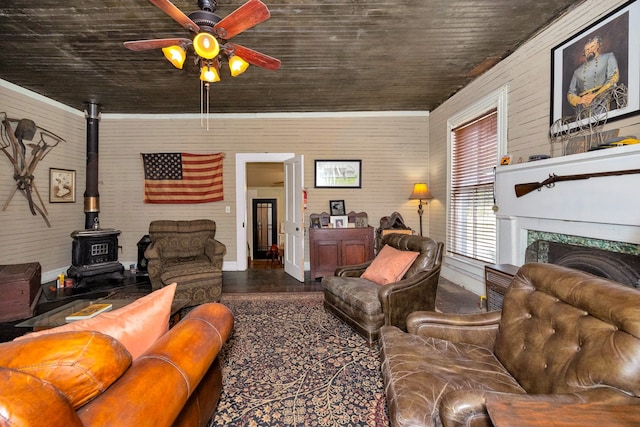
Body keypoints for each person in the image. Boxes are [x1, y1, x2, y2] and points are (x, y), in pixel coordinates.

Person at [567, 36, 619, 110]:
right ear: (584, 53)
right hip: (584, 106)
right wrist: (580, 100)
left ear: (597, 46)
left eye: (592, 46)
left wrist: (595, 95)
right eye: (587, 49)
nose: (590, 50)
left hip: (604, 99)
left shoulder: (608, 57)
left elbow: (614, 77)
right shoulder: (577, 71)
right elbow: (570, 93)